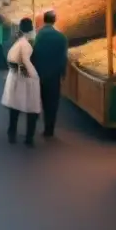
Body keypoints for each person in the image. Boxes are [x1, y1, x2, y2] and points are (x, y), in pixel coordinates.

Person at [2, 18, 42, 146]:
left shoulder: (15, 42)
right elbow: (25, 63)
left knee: (15, 108)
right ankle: (29, 138)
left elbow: (10, 60)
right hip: (25, 81)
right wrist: (32, 76)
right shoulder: (26, 44)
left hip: (15, 79)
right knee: (32, 108)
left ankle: (11, 133)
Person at [31, 9, 68, 139]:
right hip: (54, 76)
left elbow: (33, 54)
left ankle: (32, 128)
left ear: (44, 20)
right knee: (51, 103)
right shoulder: (61, 37)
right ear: (54, 20)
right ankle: (49, 129)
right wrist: (63, 73)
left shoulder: (39, 36)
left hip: (39, 74)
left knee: (36, 101)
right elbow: (64, 57)